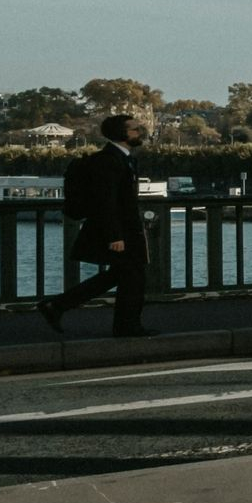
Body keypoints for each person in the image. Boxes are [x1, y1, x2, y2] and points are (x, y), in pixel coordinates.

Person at [36, 114, 153, 338]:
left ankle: (59, 306)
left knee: (124, 274)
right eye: (134, 129)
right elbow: (105, 201)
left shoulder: (120, 159)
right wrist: (114, 236)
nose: (139, 131)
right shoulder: (110, 161)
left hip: (124, 229)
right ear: (121, 134)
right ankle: (126, 326)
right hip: (120, 231)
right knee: (132, 276)